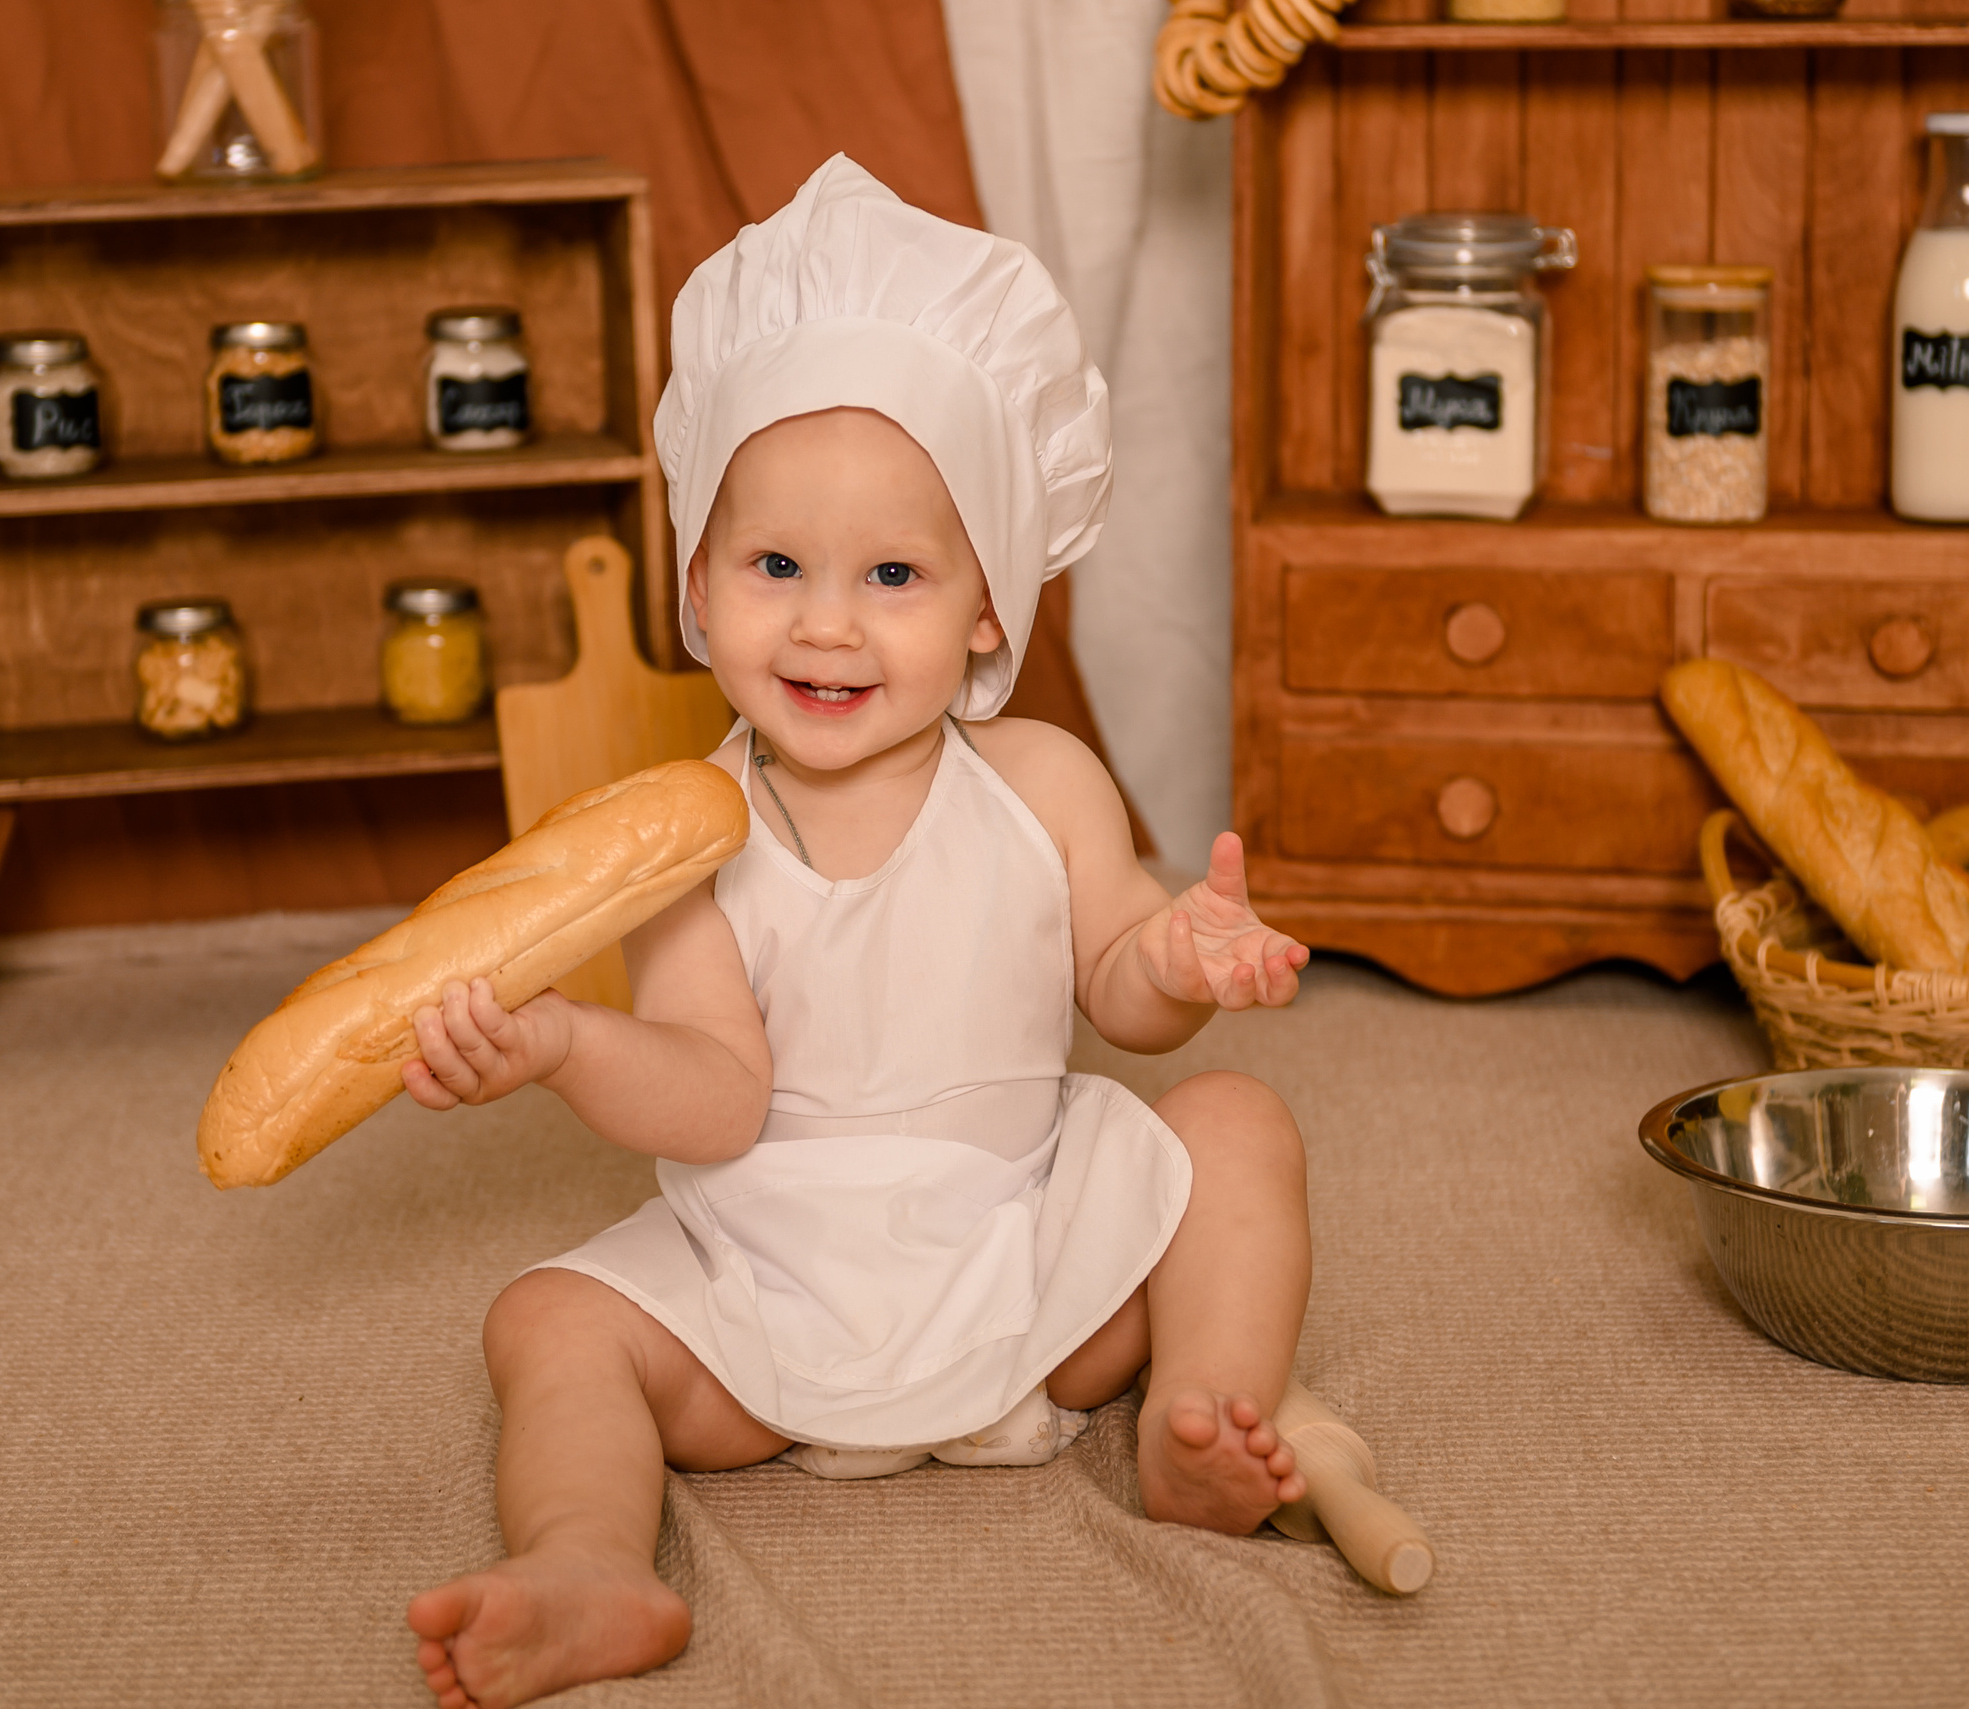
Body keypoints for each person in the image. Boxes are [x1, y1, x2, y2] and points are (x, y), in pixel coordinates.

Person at [400, 156, 1312, 1709]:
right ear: (700, 580)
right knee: (548, 1319)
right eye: (776, 569)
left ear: (986, 606)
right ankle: (586, 1555)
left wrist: (1171, 963)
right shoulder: (691, 828)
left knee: (1231, 1124)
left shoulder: (1039, 780)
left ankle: (1200, 1424)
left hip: (1029, 1265)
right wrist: (565, 1040)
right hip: (770, 1295)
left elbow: (1117, 997)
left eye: (893, 575)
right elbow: (716, 1093)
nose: (827, 622)